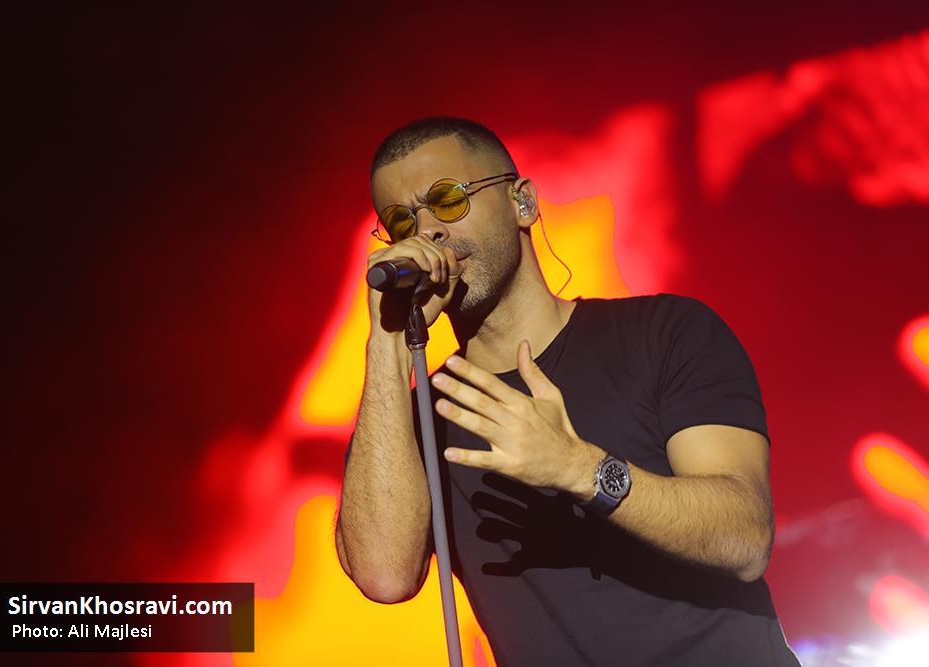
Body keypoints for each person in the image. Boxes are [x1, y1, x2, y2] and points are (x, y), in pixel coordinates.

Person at [335, 116, 800, 666]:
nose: (427, 231)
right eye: (401, 221)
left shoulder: (665, 332)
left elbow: (745, 539)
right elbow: (385, 576)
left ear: (523, 203)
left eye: (448, 200)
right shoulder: (416, 424)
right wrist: (387, 342)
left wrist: (577, 468)